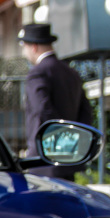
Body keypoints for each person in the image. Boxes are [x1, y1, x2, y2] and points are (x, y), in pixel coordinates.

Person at [19, 22, 92, 180]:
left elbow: (42, 109)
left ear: (34, 47)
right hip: (69, 158)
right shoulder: (71, 73)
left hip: (44, 160)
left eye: (24, 47)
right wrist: (72, 144)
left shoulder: (37, 73)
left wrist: (55, 140)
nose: (24, 53)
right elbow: (86, 112)